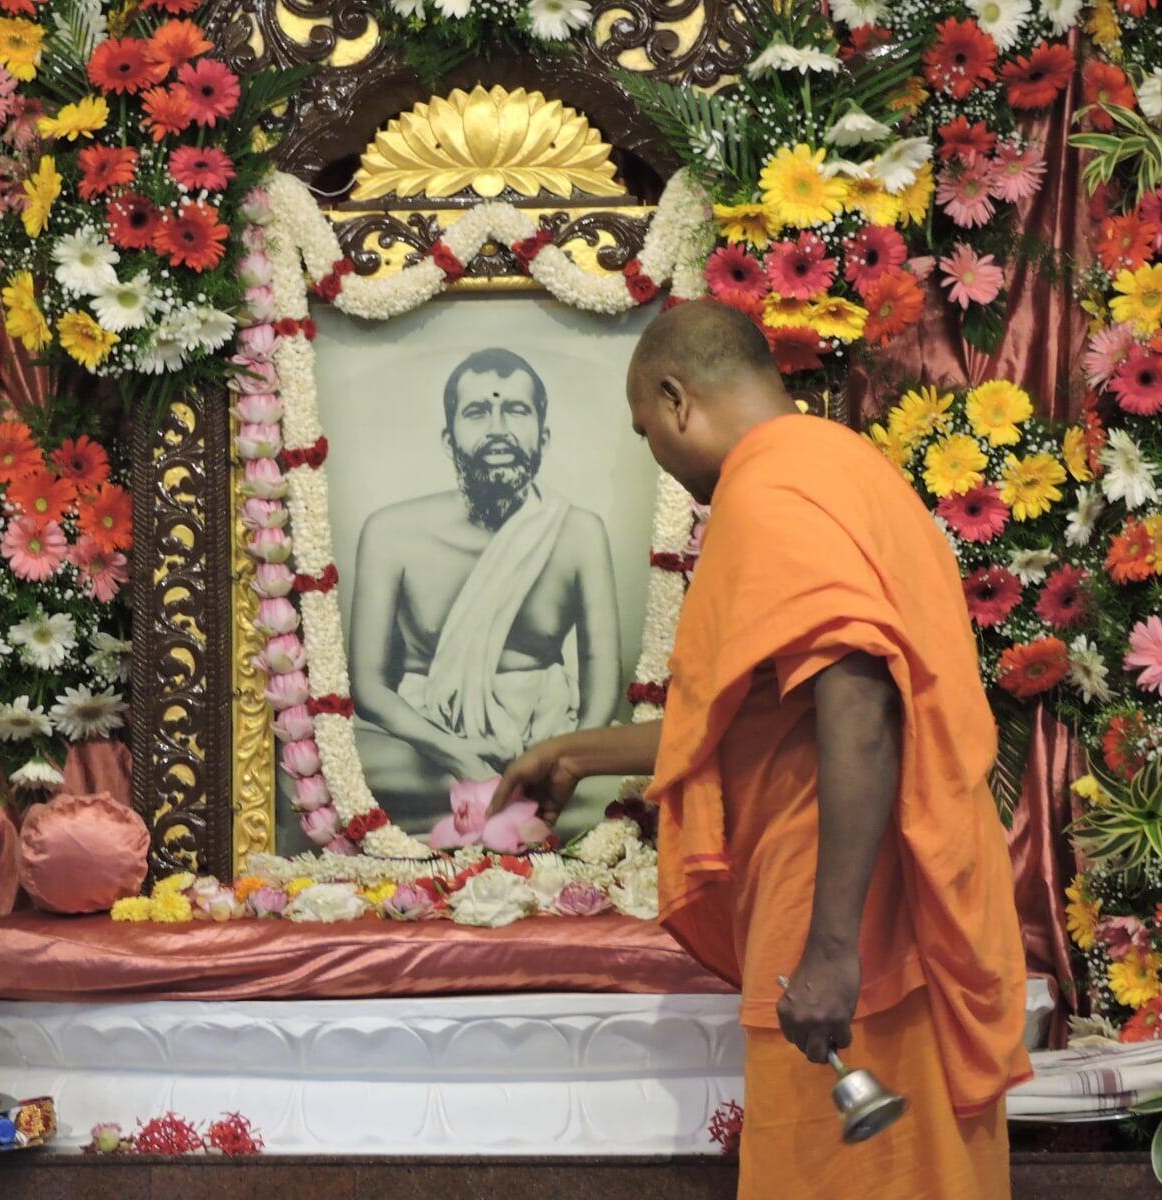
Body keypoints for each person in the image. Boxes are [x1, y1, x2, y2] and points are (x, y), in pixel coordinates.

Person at [491, 301, 1031, 1197]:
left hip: (852, 911)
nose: (656, 456)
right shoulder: (841, 464)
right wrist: (577, 753)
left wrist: (833, 950)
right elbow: (756, 717)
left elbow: (859, 707)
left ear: (676, 400)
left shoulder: (769, 489)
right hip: (894, 895)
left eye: (644, 432)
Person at [348, 348, 622, 832]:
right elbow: (369, 687)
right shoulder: (391, 533)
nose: (498, 428)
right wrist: (458, 756)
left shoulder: (580, 533)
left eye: (516, 410)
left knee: (638, 783)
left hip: (549, 733)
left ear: (543, 435)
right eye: (477, 412)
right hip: (425, 740)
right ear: (449, 439)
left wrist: (566, 758)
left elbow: (602, 683)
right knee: (345, 771)